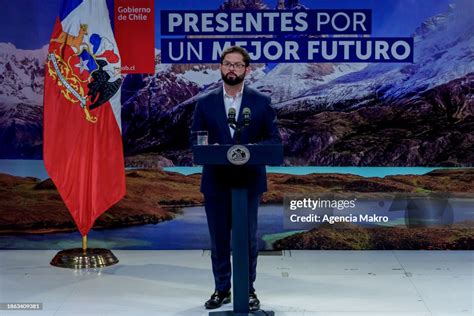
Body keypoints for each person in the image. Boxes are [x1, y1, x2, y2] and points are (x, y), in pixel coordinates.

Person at [191, 46, 281, 311]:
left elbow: (273, 140)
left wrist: (251, 150)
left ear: (247, 70)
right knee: (219, 239)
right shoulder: (205, 102)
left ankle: (248, 290)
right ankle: (222, 289)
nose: (231, 68)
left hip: (249, 182)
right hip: (216, 181)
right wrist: (213, 149)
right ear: (220, 67)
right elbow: (196, 139)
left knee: (247, 240)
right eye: (227, 64)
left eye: (237, 64)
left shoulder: (261, 102)